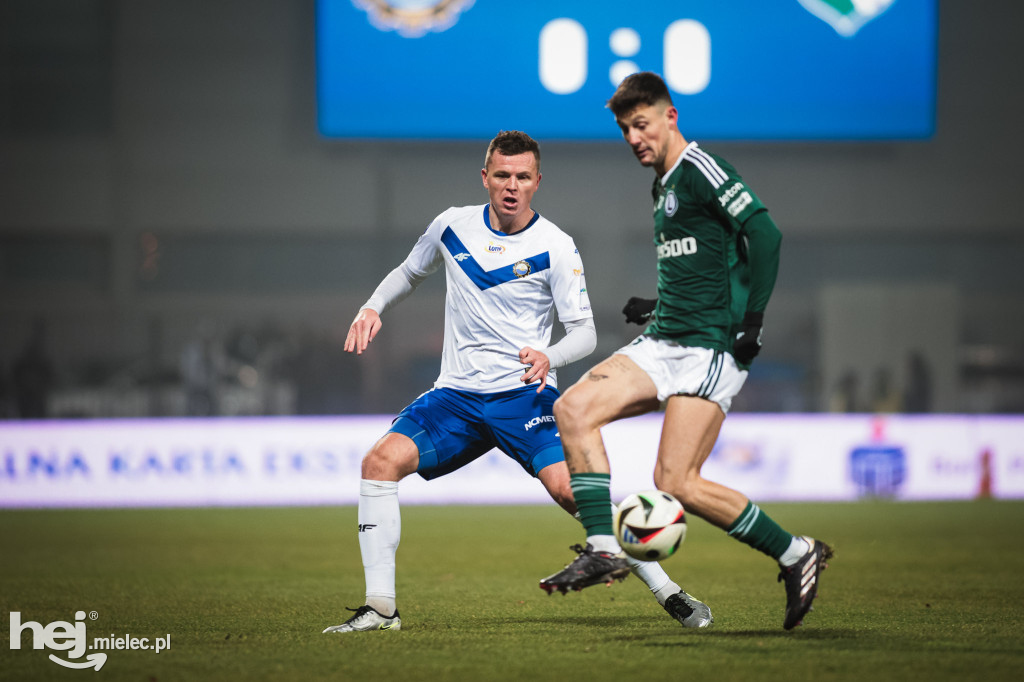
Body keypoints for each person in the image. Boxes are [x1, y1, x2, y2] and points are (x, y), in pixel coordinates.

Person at [324, 130, 712, 634]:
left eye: (522, 177)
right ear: (484, 177)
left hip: (523, 398)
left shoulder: (555, 246)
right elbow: (408, 270)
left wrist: (548, 356)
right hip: (456, 398)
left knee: (573, 493)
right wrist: (372, 306)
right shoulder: (451, 226)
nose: (511, 186)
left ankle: (672, 594)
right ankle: (381, 610)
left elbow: (586, 333)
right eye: (502, 175)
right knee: (379, 463)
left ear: (537, 182)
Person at [538, 73, 833, 631]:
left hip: (710, 348)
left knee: (678, 484)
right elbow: (704, 258)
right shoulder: (662, 184)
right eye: (625, 128)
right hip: (665, 338)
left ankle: (796, 553)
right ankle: (605, 546)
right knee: (573, 409)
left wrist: (753, 323)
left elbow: (764, 235)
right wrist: (658, 302)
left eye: (641, 124)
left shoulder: (701, 169)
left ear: (670, 116)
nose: (633, 137)